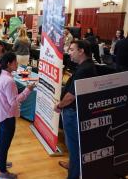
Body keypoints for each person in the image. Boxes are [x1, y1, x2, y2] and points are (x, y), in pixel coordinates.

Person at [54, 40, 97, 179]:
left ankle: (73, 174)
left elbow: (71, 96)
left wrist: (60, 105)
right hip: (75, 111)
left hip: (73, 112)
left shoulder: (84, 69)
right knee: (73, 146)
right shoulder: (86, 66)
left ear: (81, 51)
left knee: (74, 147)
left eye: (72, 49)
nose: (69, 52)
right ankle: (72, 164)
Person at [0, 52, 35, 179]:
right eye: (15, 62)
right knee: (4, 144)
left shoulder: (2, 75)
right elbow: (14, 101)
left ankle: (0, 163)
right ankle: (3, 173)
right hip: (6, 116)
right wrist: (28, 90)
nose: (17, 64)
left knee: (1, 140)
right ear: (9, 64)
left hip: (1, 113)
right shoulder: (8, 80)